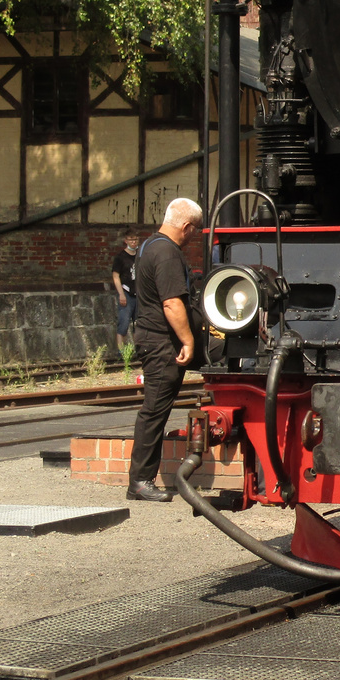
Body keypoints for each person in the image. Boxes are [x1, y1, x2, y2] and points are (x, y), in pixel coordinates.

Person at [127, 197, 203, 502]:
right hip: (162, 342)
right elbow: (171, 302)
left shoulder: (148, 246)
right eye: (194, 231)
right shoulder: (168, 253)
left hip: (149, 336)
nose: (193, 237)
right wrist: (188, 339)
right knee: (154, 411)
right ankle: (141, 481)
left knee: (154, 410)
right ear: (185, 227)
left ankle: (141, 479)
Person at [110, 230, 140, 354]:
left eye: (135, 240)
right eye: (131, 240)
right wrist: (121, 293)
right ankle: (121, 352)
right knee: (123, 322)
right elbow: (115, 276)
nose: (133, 242)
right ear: (126, 241)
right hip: (126, 292)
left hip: (138, 293)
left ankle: (138, 350)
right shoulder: (120, 257)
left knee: (139, 324)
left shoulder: (140, 255)